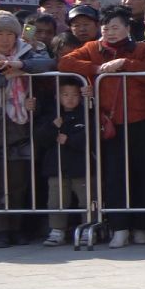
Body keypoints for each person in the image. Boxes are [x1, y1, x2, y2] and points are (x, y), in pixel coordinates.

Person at [59, 6, 145, 248]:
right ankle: (119, 227)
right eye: (106, 28)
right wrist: (96, 69)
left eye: (115, 27)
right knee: (114, 176)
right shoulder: (92, 48)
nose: (110, 33)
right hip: (109, 123)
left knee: (142, 175)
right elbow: (65, 62)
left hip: (141, 120)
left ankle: (141, 227)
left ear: (127, 28)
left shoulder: (142, 49)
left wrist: (124, 64)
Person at [0, 11, 53, 247]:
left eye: (10, 34)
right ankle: (0, 230)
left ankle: (17, 228)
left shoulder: (26, 49)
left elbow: (50, 63)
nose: (5, 39)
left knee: (18, 181)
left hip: (19, 124)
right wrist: (6, 76)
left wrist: (21, 65)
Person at [35, 76, 90, 246]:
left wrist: (70, 140)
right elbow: (41, 139)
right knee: (56, 200)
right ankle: (57, 230)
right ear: (57, 97)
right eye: (65, 95)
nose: (70, 99)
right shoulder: (51, 115)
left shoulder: (86, 113)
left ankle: (88, 228)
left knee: (87, 199)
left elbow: (91, 136)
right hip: (56, 166)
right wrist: (53, 126)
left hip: (82, 166)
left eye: (74, 95)